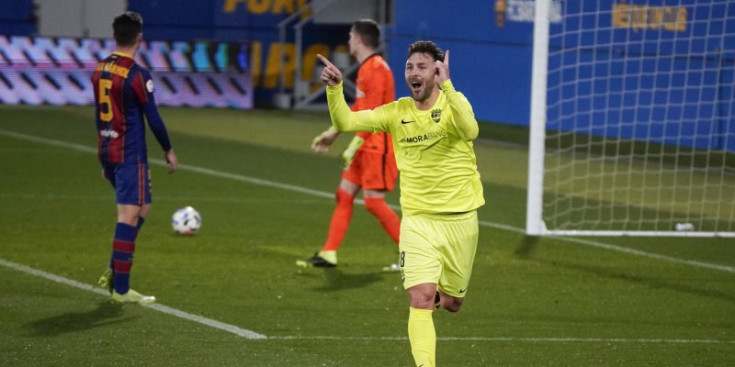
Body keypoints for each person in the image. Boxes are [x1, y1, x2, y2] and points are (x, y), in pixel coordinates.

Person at [317, 41, 484, 367]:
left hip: (460, 221)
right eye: (409, 67)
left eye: (422, 67)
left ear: (437, 72)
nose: (413, 73)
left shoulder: (454, 102)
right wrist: (336, 89)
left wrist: (449, 86)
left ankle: (444, 294)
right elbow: (347, 122)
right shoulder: (397, 112)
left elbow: (471, 130)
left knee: (451, 303)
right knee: (419, 298)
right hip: (418, 221)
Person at [297, 19, 400, 269]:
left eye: (351, 35)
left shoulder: (376, 68)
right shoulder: (366, 68)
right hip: (362, 143)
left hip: (378, 145)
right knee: (344, 195)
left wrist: (353, 145)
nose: (348, 39)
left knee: (374, 202)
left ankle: (413, 254)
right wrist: (333, 132)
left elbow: (374, 114)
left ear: (360, 39)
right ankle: (329, 253)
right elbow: (359, 109)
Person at [93, 11, 178, 304]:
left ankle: (116, 266)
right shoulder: (136, 75)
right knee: (129, 215)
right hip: (129, 153)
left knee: (143, 207)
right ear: (139, 38)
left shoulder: (100, 68)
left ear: (115, 36)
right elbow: (152, 118)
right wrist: (168, 149)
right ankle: (121, 288)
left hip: (109, 148)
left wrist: (103, 154)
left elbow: (100, 115)